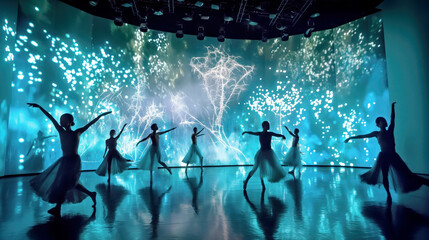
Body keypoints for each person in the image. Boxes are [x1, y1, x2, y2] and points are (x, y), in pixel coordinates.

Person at [27, 102, 111, 216]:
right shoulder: (61, 131)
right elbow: (50, 117)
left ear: (69, 122)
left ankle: (58, 207)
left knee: (65, 183)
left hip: (73, 161)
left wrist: (100, 116)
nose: (60, 121)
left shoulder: (77, 132)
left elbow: (90, 123)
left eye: (62, 120)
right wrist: (40, 106)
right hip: (65, 161)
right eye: (60, 120)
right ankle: (91, 194)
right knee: (69, 183)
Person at [345, 102, 429, 202]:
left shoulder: (390, 130)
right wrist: (350, 138)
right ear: (378, 124)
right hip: (383, 156)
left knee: (407, 173)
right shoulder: (376, 133)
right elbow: (362, 136)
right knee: (384, 175)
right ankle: (388, 194)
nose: (384, 122)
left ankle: (425, 182)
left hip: (393, 155)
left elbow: (393, 119)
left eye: (384, 120)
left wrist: (393, 108)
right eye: (381, 121)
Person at [242, 121, 286, 190]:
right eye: (267, 125)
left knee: (272, 166)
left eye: (269, 125)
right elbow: (253, 133)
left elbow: (277, 135)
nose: (269, 126)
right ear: (263, 126)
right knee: (255, 168)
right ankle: (246, 182)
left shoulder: (270, 133)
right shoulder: (260, 133)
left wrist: (282, 136)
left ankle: (262, 184)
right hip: (262, 153)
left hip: (269, 153)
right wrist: (246, 132)